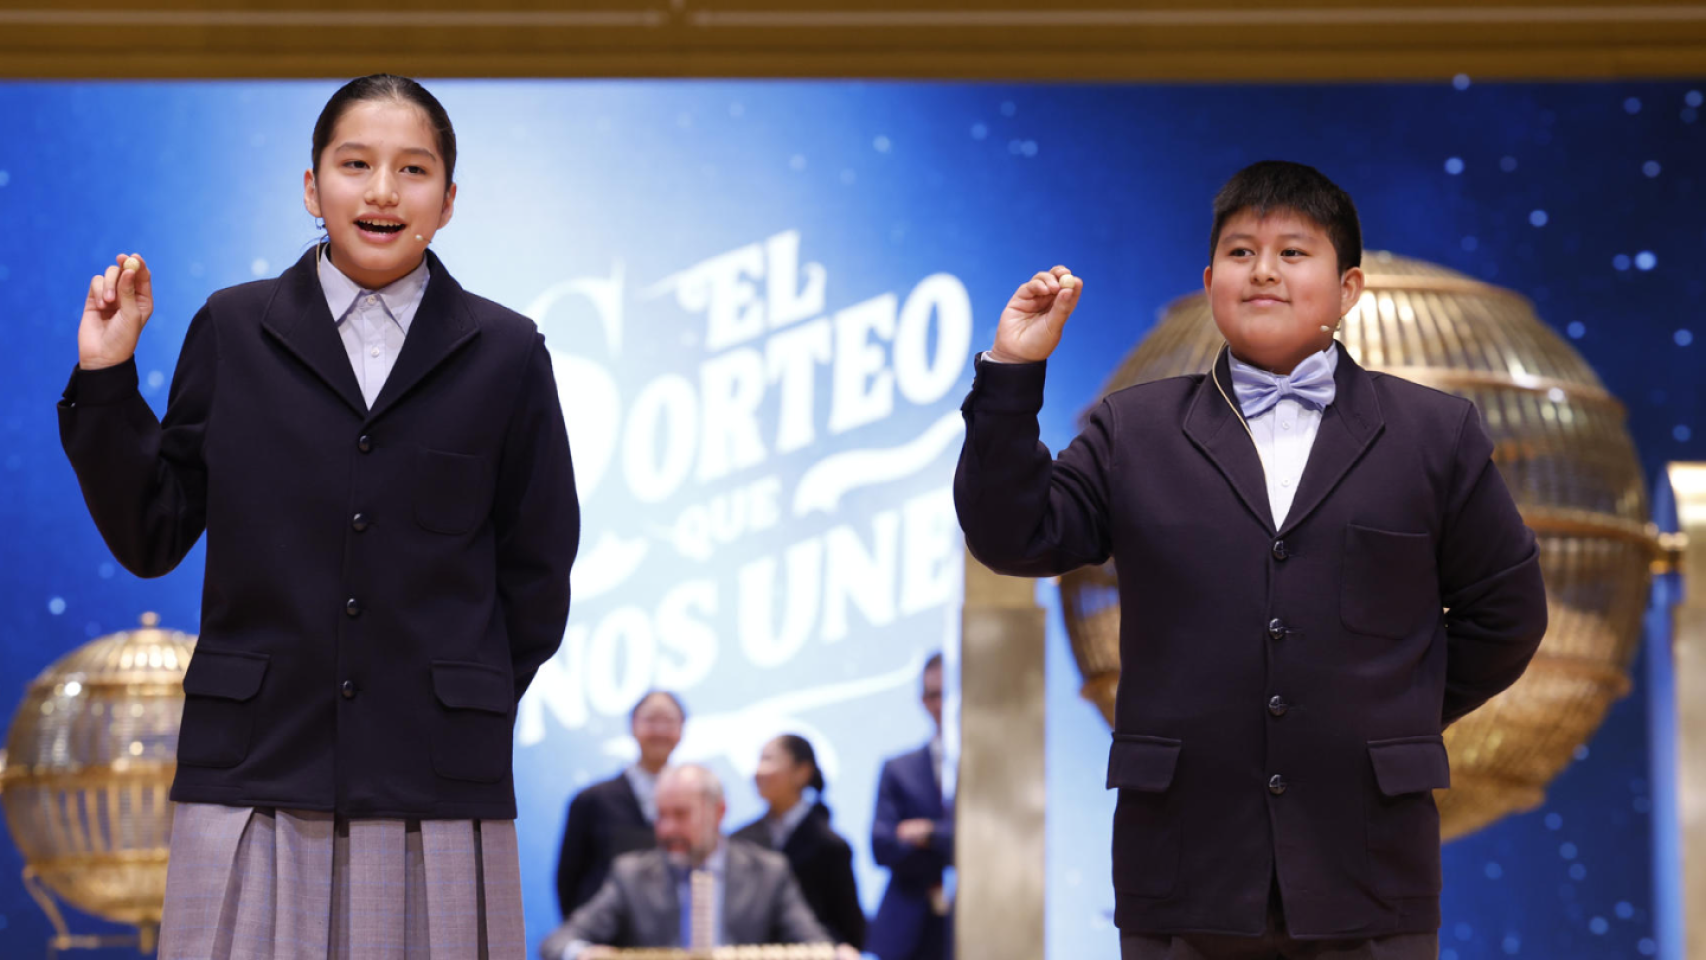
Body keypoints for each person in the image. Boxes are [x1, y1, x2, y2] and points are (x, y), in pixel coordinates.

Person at [953, 160, 1549, 959]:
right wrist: (1012, 371)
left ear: (1348, 289)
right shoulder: (1133, 429)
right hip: (1183, 874)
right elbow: (1013, 536)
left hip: (1369, 874)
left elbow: (1508, 615)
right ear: (1209, 282)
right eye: (1240, 252)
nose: (1263, 269)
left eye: (1293, 252)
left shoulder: (1435, 434)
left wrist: (1392, 716)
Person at [58, 74, 579, 959]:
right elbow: (153, 532)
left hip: (435, 785)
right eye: (356, 164)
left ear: (448, 202)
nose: (383, 191)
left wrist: (458, 697)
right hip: (251, 774)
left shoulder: (506, 351)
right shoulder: (233, 327)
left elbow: (536, 570)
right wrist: (108, 381)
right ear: (312, 187)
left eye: (413, 170)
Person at [539, 764, 859, 960]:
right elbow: (557, 943)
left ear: (718, 812)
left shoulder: (769, 872)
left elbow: (812, 943)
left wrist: (836, 953)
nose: (666, 830)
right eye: (661, 816)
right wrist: (583, 954)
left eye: (680, 815)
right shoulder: (631, 874)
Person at [555, 690, 686, 918]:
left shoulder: (695, 801)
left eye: (668, 721)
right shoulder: (591, 800)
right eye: (651, 720)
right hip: (606, 934)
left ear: (682, 730)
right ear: (632, 726)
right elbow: (569, 879)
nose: (660, 730)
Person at [733, 734, 867, 950]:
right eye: (758, 760)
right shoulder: (740, 841)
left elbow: (849, 929)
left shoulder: (830, 846)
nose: (758, 771)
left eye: (768, 760)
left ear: (802, 772)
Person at [867, 653, 953, 960]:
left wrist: (928, 832)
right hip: (905, 932)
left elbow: (986, 840)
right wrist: (949, 843)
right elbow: (882, 846)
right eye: (932, 695)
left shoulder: (990, 769)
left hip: (975, 924)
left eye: (948, 693)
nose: (940, 704)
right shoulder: (898, 769)